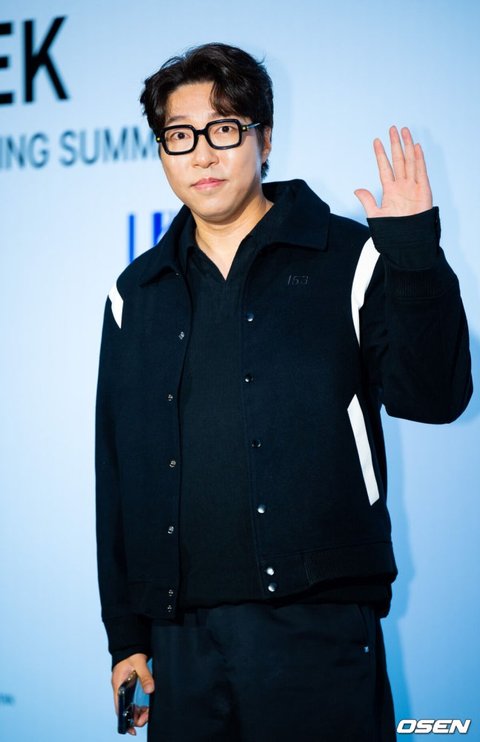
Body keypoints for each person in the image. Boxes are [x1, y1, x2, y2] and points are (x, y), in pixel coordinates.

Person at [95, 42, 472, 741]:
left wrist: (414, 254)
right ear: (162, 151)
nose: (202, 154)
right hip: (180, 641)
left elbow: (434, 397)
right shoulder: (135, 292)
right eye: (180, 136)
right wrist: (126, 635)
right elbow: (117, 471)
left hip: (317, 625)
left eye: (223, 129)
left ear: (264, 139)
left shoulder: (347, 257)